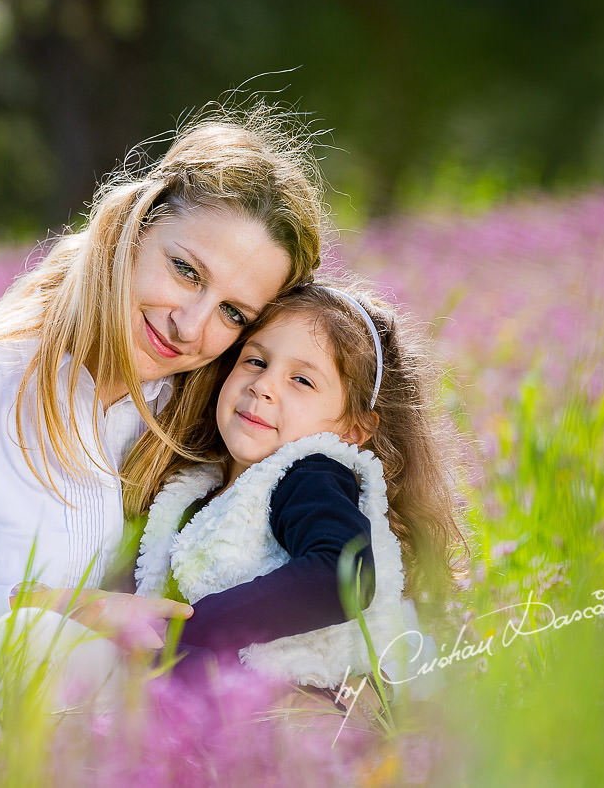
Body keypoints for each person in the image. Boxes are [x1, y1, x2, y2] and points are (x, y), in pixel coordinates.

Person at [0, 103, 328, 738]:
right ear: (133, 227)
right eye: (184, 271)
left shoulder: (212, 434)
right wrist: (57, 615)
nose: (191, 325)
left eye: (232, 312)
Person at [128, 280, 467, 697]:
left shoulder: (309, 473)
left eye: (301, 380)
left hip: (306, 705)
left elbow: (345, 573)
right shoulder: (201, 489)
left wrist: (193, 625)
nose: (263, 385)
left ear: (353, 429)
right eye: (255, 361)